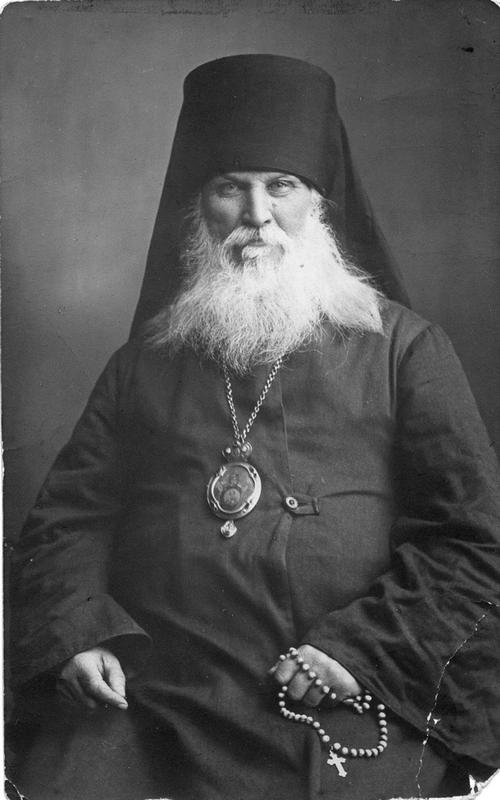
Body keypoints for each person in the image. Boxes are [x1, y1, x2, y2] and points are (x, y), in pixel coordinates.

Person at [9, 55, 500, 800]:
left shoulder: (405, 349)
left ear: (319, 205)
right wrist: (81, 633)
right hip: (155, 693)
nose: (258, 214)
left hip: (338, 682)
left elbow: (471, 538)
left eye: (282, 186)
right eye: (230, 187)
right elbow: (67, 523)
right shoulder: (143, 364)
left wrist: (362, 651)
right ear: (199, 209)